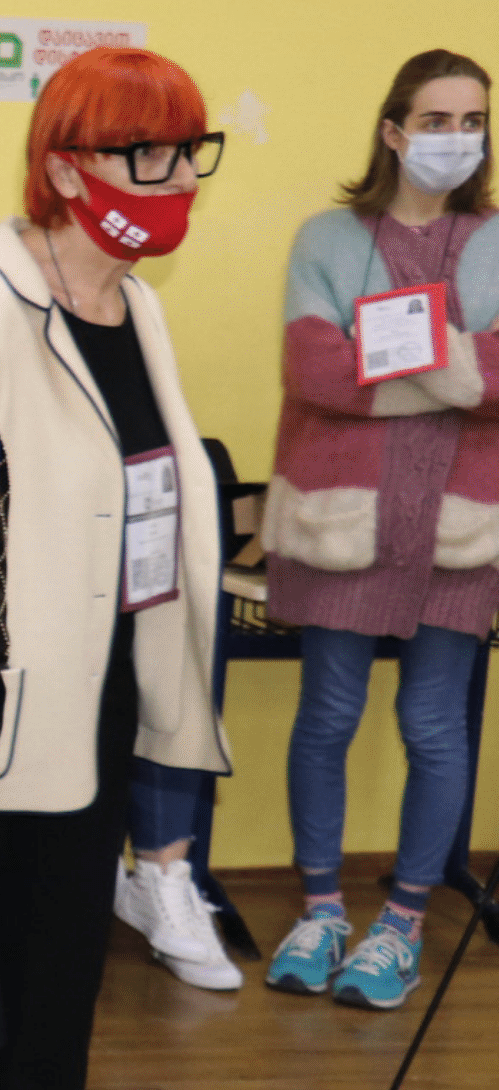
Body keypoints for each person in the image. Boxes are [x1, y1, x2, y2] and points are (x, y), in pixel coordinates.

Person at [0, 47, 238, 1088]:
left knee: (63, 965)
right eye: (142, 154)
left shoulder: (136, 306)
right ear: (66, 171)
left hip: (107, 674)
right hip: (7, 700)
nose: (172, 180)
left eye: (184, 153)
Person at [260, 48, 498, 1012]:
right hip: (342, 521)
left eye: (472, 120)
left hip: (459, 527)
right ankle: (319, 908)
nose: (455, 138)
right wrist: (460, 370)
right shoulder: (328, 236)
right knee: (327, 715)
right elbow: (315, 372)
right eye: (434, 120)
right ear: (393, 131)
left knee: (437, 726)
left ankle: (400, 925)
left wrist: (390, 369)